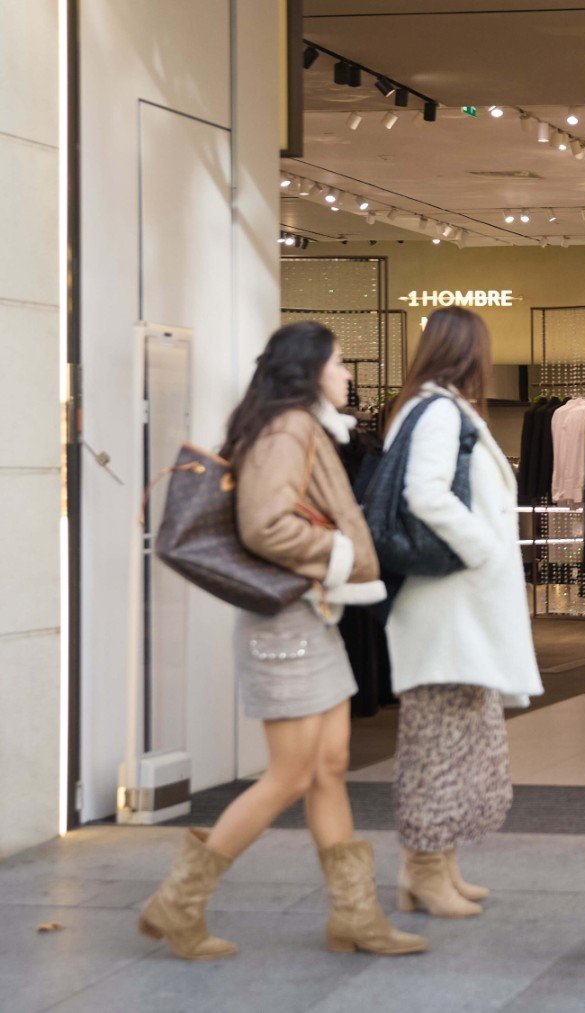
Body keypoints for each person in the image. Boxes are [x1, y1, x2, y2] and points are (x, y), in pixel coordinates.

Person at [138, 322, 426, 959]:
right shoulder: (289, 428)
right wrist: (341, 552)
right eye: (340, 362)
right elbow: (265, 524)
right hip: (287, 621)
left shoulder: (293, 425)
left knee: (326, 767)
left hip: (307, 617)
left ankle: (356, 917)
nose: (348, 373)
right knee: (293, 773)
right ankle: (177, 903)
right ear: (309, 369)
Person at [383, 306, 543, 917]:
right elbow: (424, 493)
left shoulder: (433, 408)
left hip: (453, 608)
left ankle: (436, 864)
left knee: (455, 740)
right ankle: (425, 868)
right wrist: (485, 547)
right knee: (437, 744)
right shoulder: (440, 412)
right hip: (445, 606)